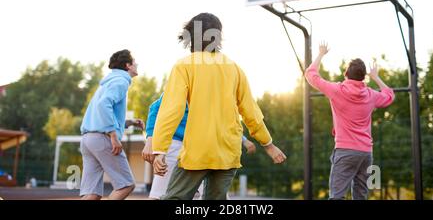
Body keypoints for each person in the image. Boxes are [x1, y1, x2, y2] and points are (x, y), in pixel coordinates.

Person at [151, 13, 287, 200]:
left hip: (197, 152)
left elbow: (171, 111)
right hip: (228, 152)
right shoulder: (234, 68)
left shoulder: (184, 66)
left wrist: (159, 149)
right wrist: (268, 144)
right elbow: (251, 111)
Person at [305, 42, 395, 200]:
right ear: (363, 77)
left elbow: (311, 75)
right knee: (361, 195)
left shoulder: (337, 90)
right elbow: (389, 96)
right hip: (366, 153)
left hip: (345, 151)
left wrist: (320, 54)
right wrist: (376, 77)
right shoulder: (371, 94)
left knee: (337, 196)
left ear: (346, 73)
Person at [141, 93, 257, 199]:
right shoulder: (184, 81)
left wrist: (244, 140)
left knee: (216, 194)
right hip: (175, 143)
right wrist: (150, 141)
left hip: (200, 147)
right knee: (159, 194)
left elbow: (224, 121)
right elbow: (155, 109)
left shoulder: (215, 91)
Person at [79, 49, 144, 200]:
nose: (137, 64)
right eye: (134, 62)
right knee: (126, 185)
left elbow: (101, 112)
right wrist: (113, 135)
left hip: (88, 139)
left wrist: (129, 123)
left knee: (92, 194)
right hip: (104, 139)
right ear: (128, 65)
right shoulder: (121, 81)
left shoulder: (107, 83)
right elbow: (104, 105)